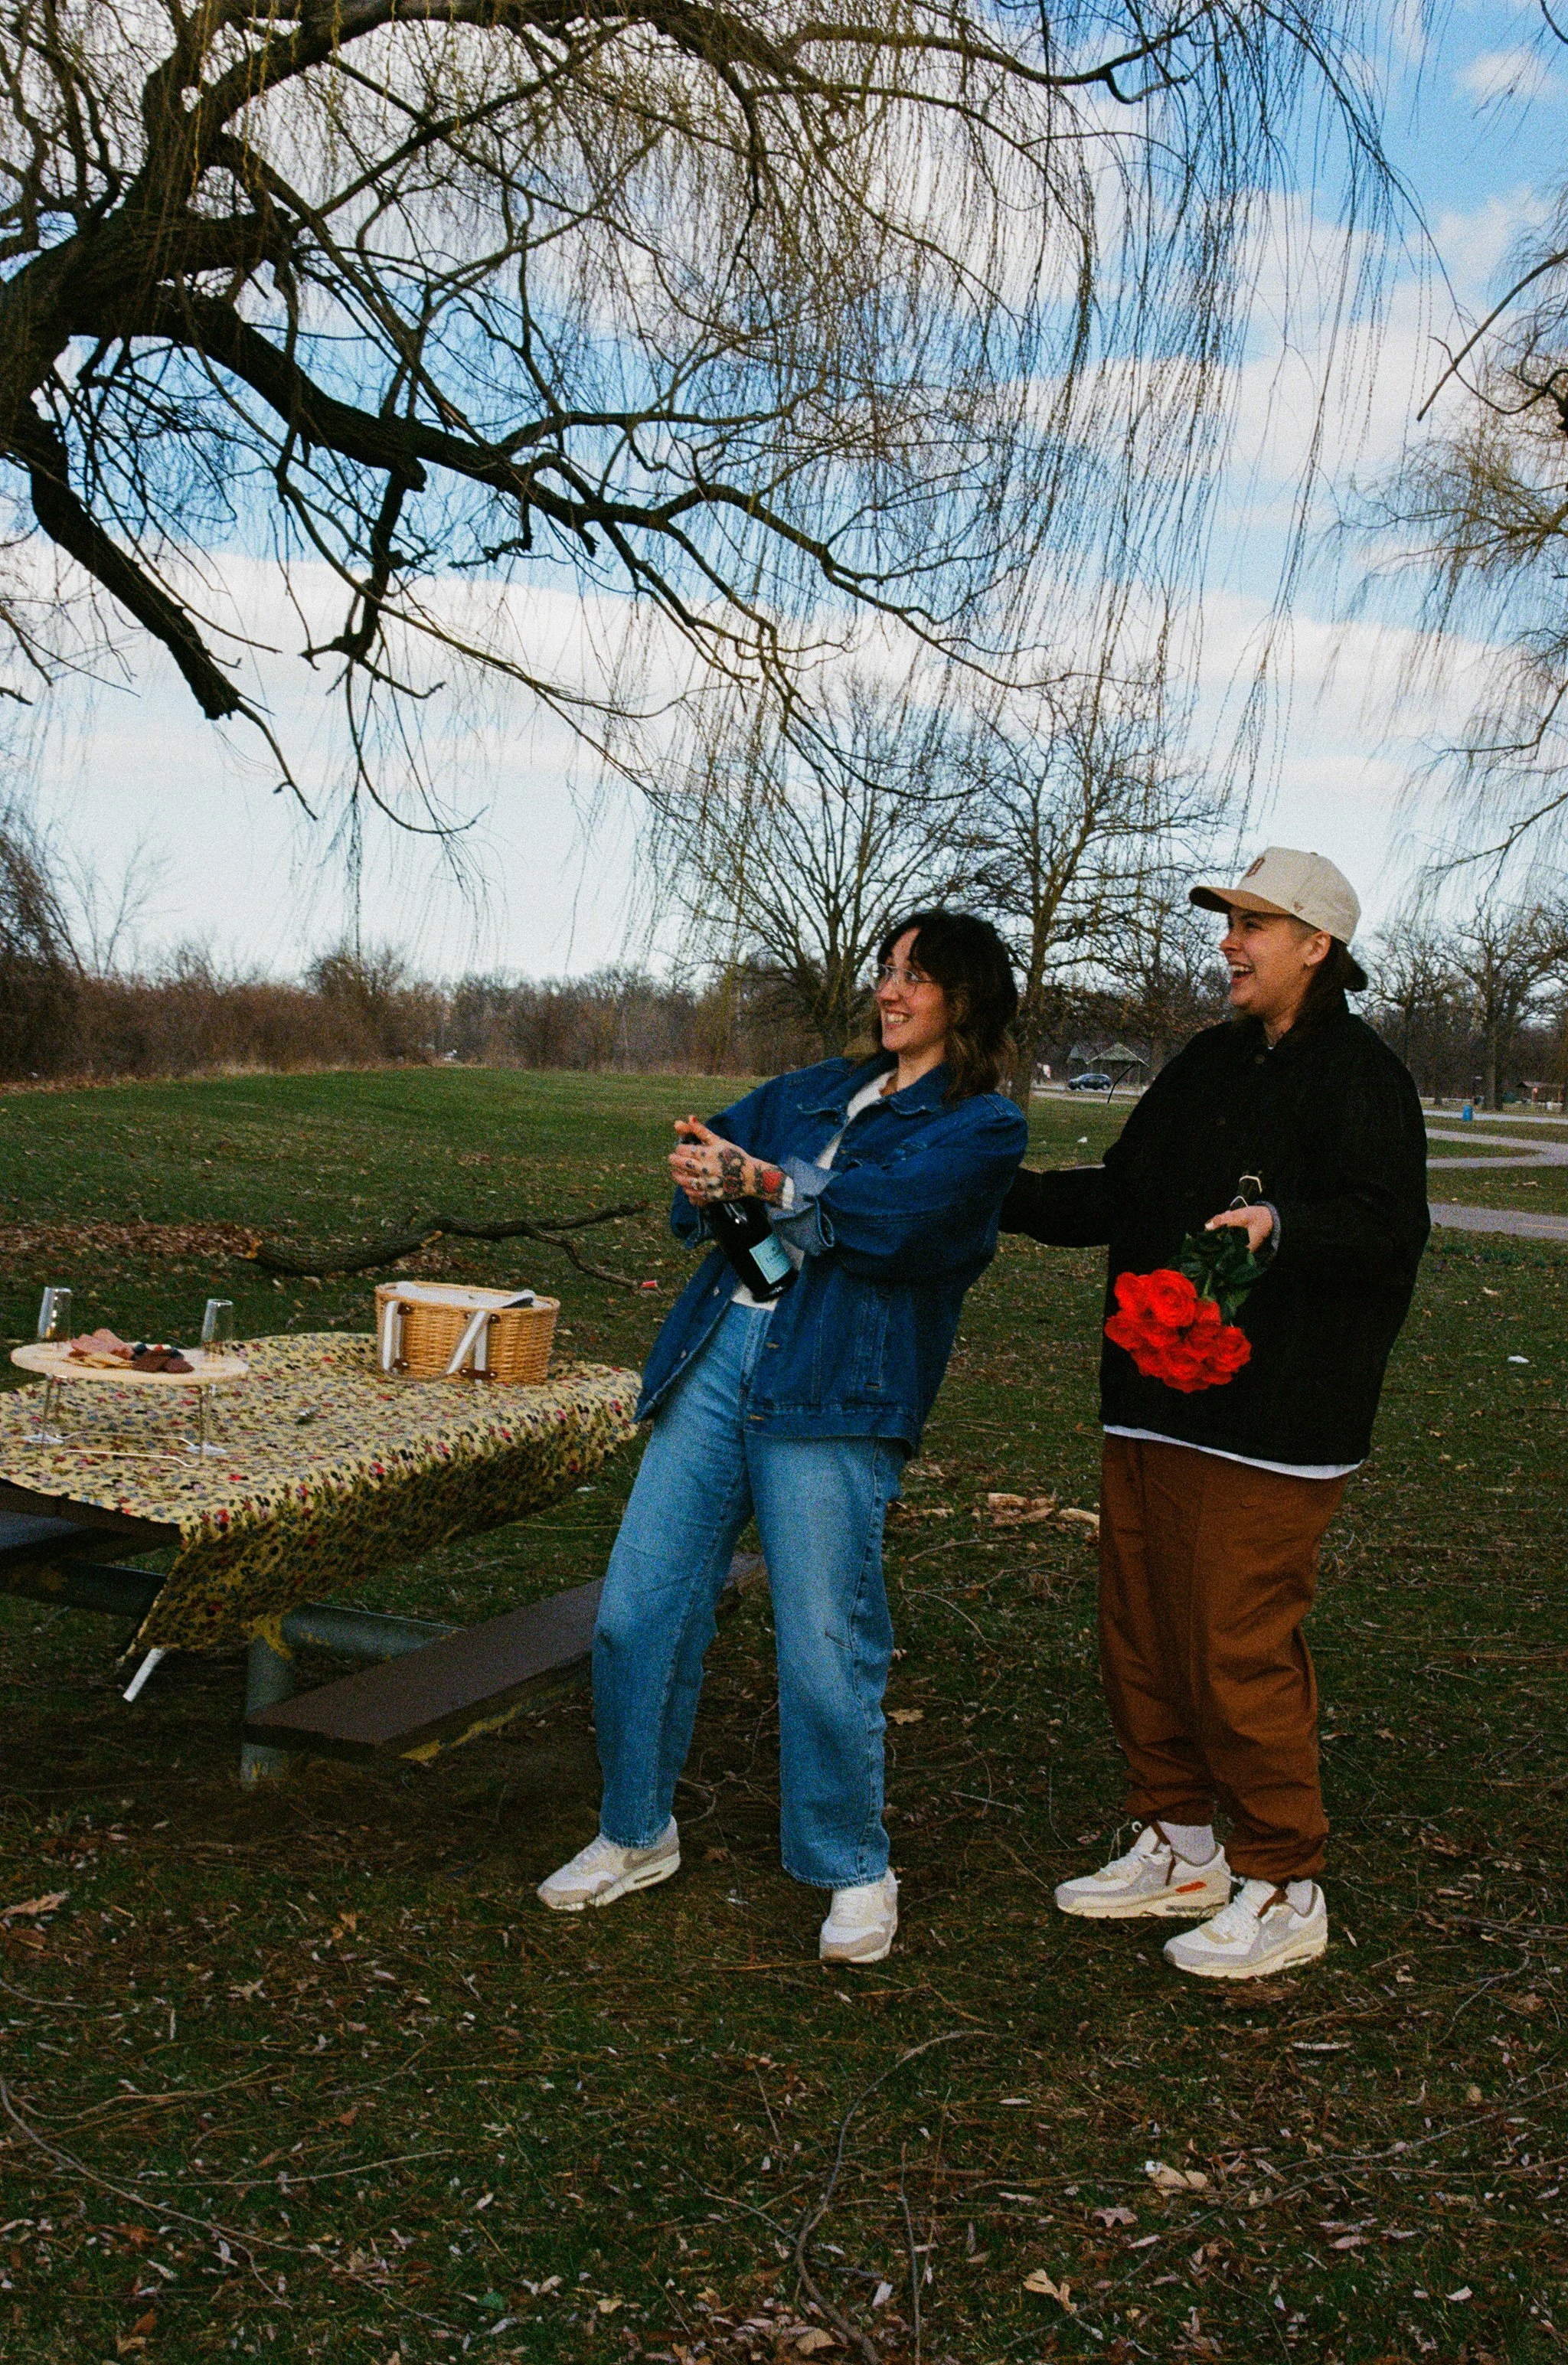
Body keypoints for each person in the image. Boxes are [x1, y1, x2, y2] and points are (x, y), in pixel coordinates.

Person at [537, 910, 1027, 1965]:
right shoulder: (812, 1091)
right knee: (635, 1613)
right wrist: (718, 1182)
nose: (889, 991)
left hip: (837, 1384)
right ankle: (636, 1831)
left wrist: (765, 1185)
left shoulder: (981, 1128)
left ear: (967, 998)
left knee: (822, 1644)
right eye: (886, 971)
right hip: (723, 1356)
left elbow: (890, 1223)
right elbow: (712, 1160)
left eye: (916, 977)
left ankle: (851, 1865)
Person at [1001, 848, 1429, 1981]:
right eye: (1229, 921)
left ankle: (1285, 1882)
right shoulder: (1206, 1062)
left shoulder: (1365, 1078)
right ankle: (1181, 1844)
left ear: (1317, 946)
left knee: (1233, 1643)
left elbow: (1387, 1228)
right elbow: (1126, 1191)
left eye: (1254, 924)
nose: (1230, 943)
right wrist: (996, 1196)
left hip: (1278, 1419)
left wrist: (1281, 1226)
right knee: (1142, 1630)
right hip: (1153, 1400)